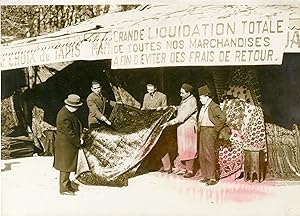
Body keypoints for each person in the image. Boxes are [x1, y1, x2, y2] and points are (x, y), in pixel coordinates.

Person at [161, 83, 198, 178]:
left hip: (188, 127)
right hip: (182, 127)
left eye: (182, 93)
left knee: (189, 148)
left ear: (188, 93)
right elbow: (181, 108)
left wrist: (168, 123)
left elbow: (181, 117)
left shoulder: (191, 101)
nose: (180, 95)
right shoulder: (185, 100)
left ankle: (190, 170)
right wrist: (174, 107)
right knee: (183, 148)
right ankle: (185, 168)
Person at [53, 94, 83, 195]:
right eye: (76, 107)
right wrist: (79, 142)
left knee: (68, 165)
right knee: (65, 166)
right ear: (71, 106)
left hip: (67, 144)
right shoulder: (64, 116)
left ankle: (67, 185)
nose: (77, 109)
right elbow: (69, 133)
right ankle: (63, 188)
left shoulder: (67, 112)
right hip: (65, 145)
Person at [197, 85, 226, 186]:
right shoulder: (204, 106)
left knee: (209, 154)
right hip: (203, 131)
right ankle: (206, 176)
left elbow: (222, 118)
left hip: (209, 131)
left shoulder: (213, 106)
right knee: (202, 154)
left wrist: (215, 129)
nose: (200, 100)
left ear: (206, 96)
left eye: (201, 98)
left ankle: (213, 178)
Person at [141, 81, 171, 173]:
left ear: (155, 88)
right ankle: (152, 166)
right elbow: (143, 108)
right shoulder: (146, 96)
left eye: (151, 89)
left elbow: (166, 110)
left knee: (161, 144)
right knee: (149, 145)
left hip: (158, 124)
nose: (149, 91)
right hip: (149, 124)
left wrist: (160, 109)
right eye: (147, 89)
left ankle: (167, 167)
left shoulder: (162, 96)